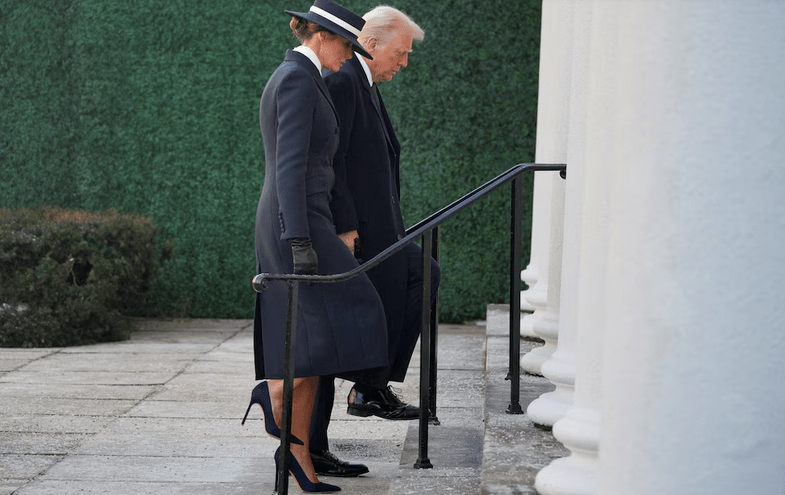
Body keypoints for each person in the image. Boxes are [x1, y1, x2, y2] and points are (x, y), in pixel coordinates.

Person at [243, 1, 388, 492]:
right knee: (353, 310)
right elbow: (287, 166)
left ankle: (298, 461)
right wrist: (299, 238)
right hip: (295, 225)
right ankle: (276, 393)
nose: (350, 57)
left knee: (308, 348)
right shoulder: (296, 79)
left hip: (307, 218)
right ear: (323, 37)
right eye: (348, 46)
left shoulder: (308, 78)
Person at [307, 6, 440, 478]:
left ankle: (371, 385)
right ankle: (362, 393)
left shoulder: (365, 84)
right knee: (327, 336)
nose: (403, 63)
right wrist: (345, 225)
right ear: (374, 41)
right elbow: (333, 159)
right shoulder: (344, 82)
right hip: (356, 233)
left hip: (382, 229)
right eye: (401, 53)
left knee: (423, 271)